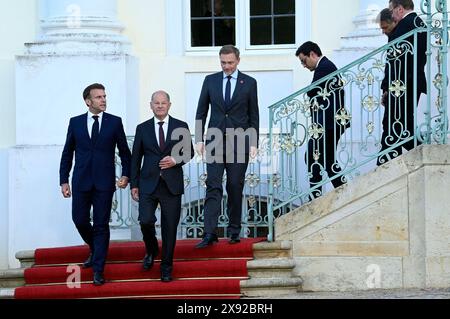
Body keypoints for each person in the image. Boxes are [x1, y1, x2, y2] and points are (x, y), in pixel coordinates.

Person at [59, 83, 131, 286]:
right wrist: (64, 179)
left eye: (104, 96)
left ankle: (98, 269)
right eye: (99, 97)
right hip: (81, 181)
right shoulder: (75, 123)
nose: (103, 100)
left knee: (101, 225)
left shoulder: (114, 122)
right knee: (79, 220)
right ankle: (96, 248)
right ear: (88, 101)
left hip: (104, 182)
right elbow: (67, 153)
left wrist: (126, 175)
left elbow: (125, 152)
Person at [195, 45, 259, 248]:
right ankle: (209, 233)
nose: (227, 66)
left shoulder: (249, 83)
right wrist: (199, 138)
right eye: (223, 62)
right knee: (213, 186)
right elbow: (201, 111)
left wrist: (253, 142)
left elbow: (253, 115)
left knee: (234, 185)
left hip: (239, 141)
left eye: (230, 62)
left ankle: (233, 231)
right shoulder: (210, 80)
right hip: (214, 140)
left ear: (238, 60)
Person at [130, 91, 193, 282]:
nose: (160, 106)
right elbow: (135, 159)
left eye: (163, 103)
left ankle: (166, 267)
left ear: (169, 105)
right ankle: (151, 249)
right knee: (145, 220)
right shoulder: (142, 128)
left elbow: (189, 152)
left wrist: (175, 159)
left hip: (171, 185)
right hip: (147, 184)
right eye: (156, 103)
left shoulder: (180, 126)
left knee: (170, 229)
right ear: (151, 105)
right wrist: (134, 184)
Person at [296, 41, 350, 199]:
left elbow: (312, 91)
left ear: (312, 54)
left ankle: (316, 197)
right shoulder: (324, 67)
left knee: (314, 156)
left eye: (304, 60)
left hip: (329, 123)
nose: (303, 65)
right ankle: (343, 192)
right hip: (329, 122)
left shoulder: (325, 67)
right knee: (326, 159)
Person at [377, 0, 427, 166]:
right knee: (398, 125)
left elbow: (394, 62)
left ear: (399, 9)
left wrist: (388, 88)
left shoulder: (405, 25)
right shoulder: (416, 23)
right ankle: (389, 161)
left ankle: (423, 153)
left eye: (392, 10)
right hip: (406, 83)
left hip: (402, 85)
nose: (391, 14)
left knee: (396, 125)